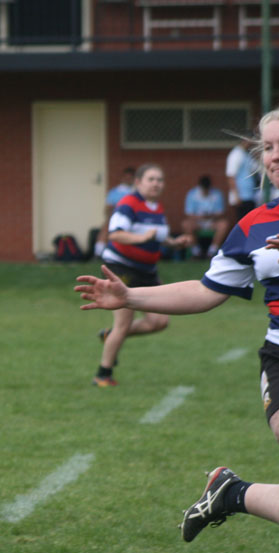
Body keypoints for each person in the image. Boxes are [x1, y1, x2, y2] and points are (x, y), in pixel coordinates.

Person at [76, 107, 279, 544]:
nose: (275, 156)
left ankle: (232, 494)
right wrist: (130, 297)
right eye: (268, 147)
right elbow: (206, 291)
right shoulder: (253, 225)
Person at [91, 163, 192, 387]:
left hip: (147, 271)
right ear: (138, 182)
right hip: (122, 269)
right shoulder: (128, 204)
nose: (156, 183)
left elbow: (157, 236)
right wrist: (142, 238)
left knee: (159, 321)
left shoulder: (156, 207)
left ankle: (110, 336)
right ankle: (102, 375)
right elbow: (115, 234)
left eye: (160, 180)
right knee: (123, 323)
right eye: (151, 179)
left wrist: (175, 243)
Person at [181, 174, 228, 258]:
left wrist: (210, 216)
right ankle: (196, 251)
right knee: (186, 224)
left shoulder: (217, 194)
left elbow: (221, 212)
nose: (206, 191)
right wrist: (200, 217)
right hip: (197, 222)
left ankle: (212, 250)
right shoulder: (192, 194)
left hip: (212, 221)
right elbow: (189, 213)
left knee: (224, 224)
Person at [93, 167, 135, 258]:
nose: (128, 179)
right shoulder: (115, 192)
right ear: (123, 178)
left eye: (130, 178)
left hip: (132, 218)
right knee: (105, 228)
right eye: (126, 177)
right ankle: (98, 253)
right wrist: (110, 218)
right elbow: (108, 208)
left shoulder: (136, 192)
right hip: (115, 216)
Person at [227, 135, 258, 223]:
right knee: (242, 221)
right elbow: (231, 176)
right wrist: (236, 195)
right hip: (241, 196)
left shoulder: (246, 154)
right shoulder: (236, 154)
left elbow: (255, 169)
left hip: (249, 195)